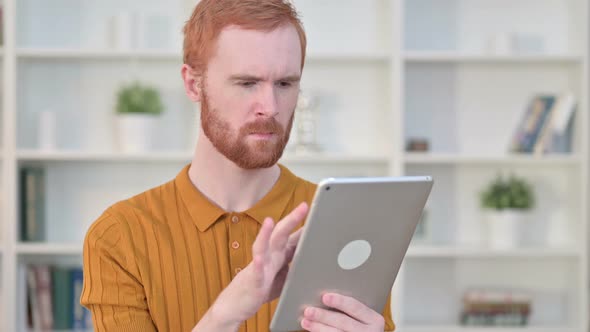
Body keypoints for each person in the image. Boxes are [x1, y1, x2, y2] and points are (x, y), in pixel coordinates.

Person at [80, 0, 396, 331]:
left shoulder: (346, 223)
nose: (270, 107)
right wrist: (224, 315)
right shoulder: (119, 237)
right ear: (193, 84)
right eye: (247, 83)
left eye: (285, 84)